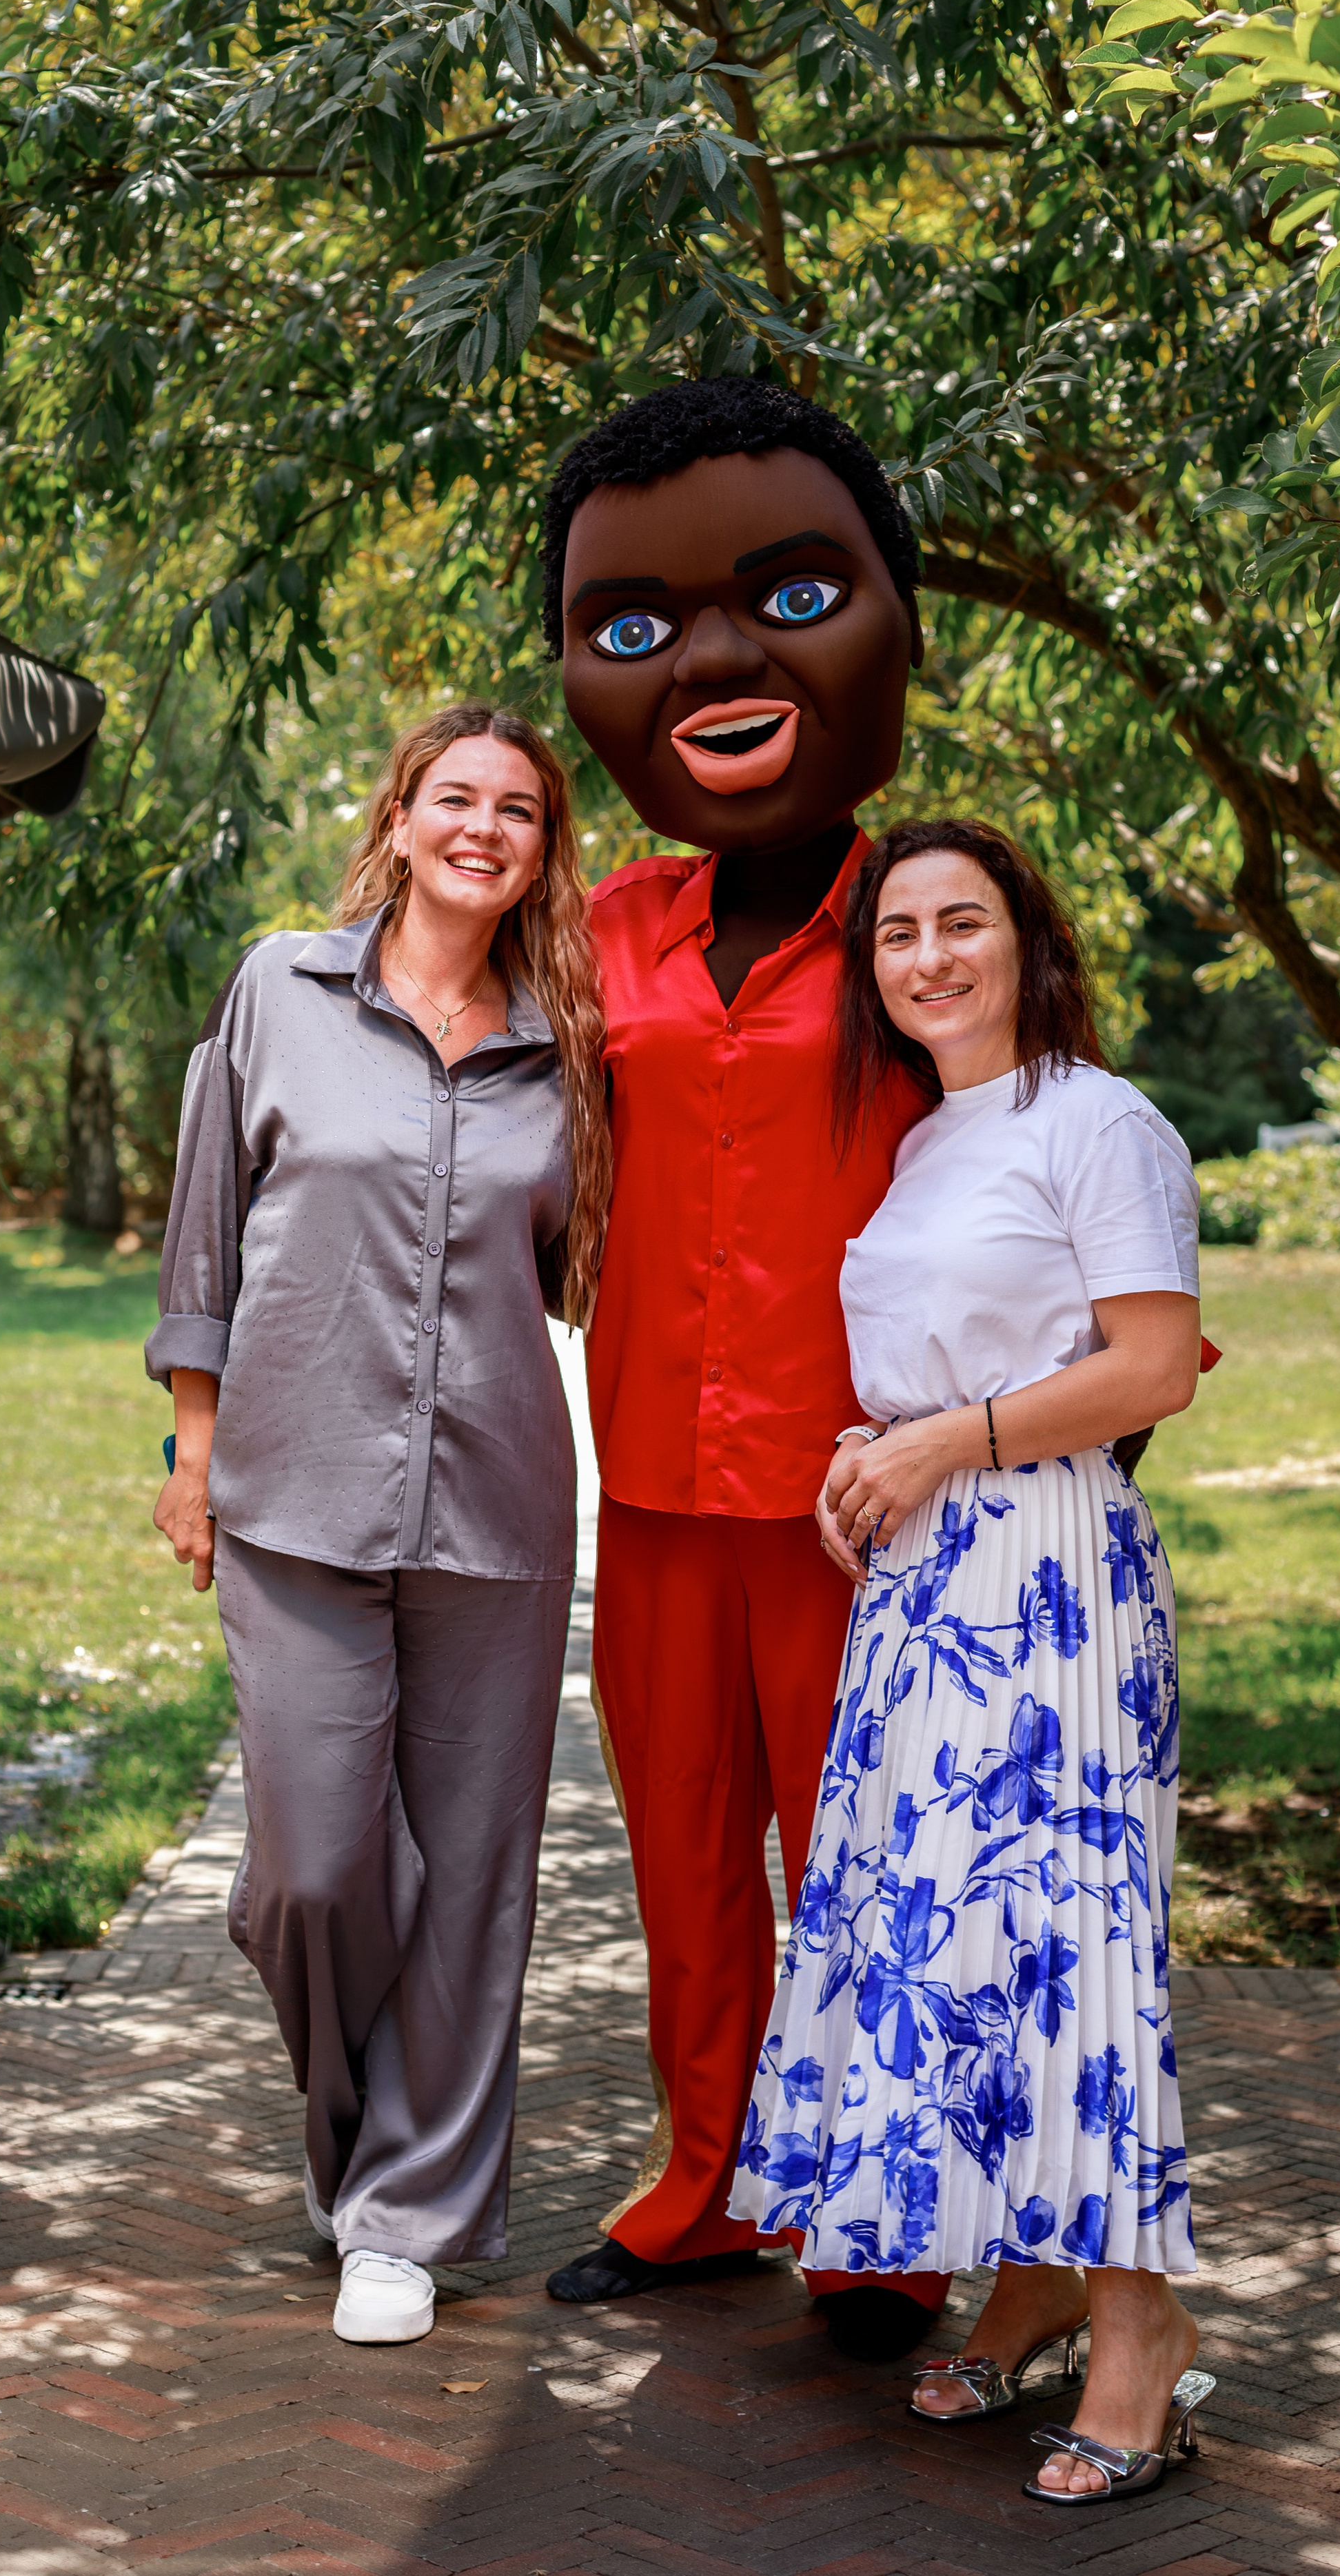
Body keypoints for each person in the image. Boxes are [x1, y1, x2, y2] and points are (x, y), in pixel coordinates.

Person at [729, 817, 1215, 2505]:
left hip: (1056, 1581)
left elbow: (1151, 1365)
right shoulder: (931, 1140)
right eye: (896, 935)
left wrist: (943, 1441)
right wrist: (872, 1454)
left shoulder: (1098, 1118)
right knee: (960, 1941)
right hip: (929, 1583)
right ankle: (1028, 2278)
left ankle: (1137, 2326)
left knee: (1069, 1941)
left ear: (1027, 940)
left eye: (962, 924)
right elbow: (947, 1370)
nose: (927, 957)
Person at [539, 375, 951, 2359]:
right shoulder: (607, 924)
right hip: (657, 1482)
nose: (706, 664)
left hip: (859, 1489)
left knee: (858, 1855)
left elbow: (1041, 1165)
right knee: (689, 1860)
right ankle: (706, 2184)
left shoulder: (928, 924)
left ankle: (872, 2218)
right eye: (631, 628)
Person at [147, 703, 608, 2348]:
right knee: (313, 1872)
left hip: (494, 1505)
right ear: (401, 818)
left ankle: (403, 2216)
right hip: (288, 1490)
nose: (486, 828)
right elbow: (205, 1232)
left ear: (545, 853)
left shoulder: (569, 1048)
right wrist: (192, 1451)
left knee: (472, 1872)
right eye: (456, 799)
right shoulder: (281, 986)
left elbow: (594, 1270)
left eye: (522, 813)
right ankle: (358, 2146)